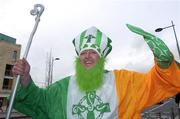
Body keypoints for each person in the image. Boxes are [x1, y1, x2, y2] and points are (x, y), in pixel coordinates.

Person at [12, 24, 180, 119]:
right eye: (83, 53)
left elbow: (156, 83)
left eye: (93, 52)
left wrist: (164, 63)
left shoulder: (123, 81)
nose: (87, 57)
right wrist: (25, 77)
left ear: (102, 57)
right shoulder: (62, 88)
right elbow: (39, 102)